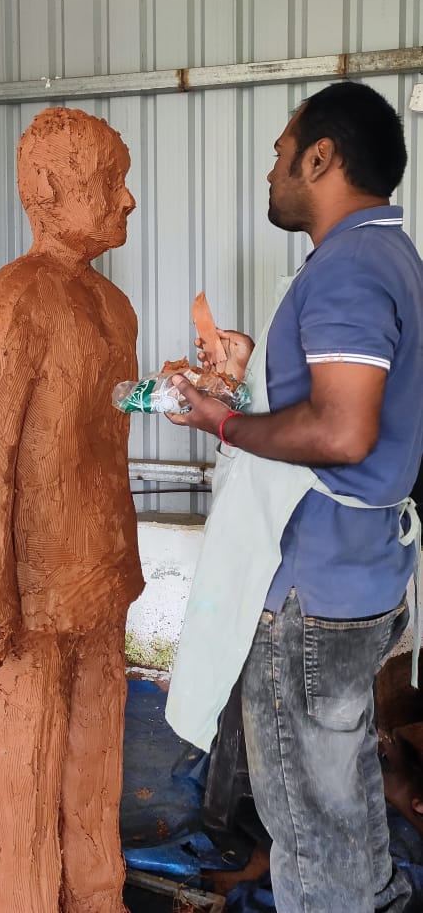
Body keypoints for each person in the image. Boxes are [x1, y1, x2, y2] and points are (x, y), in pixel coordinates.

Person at [165, 81, 423, 913]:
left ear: (321, 158)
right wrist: (245, 386)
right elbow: (339, 411)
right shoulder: (386, 256)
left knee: (309, 821)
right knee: (339, 785)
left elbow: (342, 432)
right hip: (358, 572)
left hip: (318, 588)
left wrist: (223, 422)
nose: (271, 172)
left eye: (281, 155)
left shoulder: (349, 268)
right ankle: (370, 893)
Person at [0, 108, 143, 913]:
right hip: (27, 602)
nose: (128, 199)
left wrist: (173, 390)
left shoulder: (112, 307)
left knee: (96, 770)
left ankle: (98, 897)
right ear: (51, 190)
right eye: (111, 181)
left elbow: (109, 412)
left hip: (102, 578)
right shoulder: (7, 308)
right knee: (26, 792)